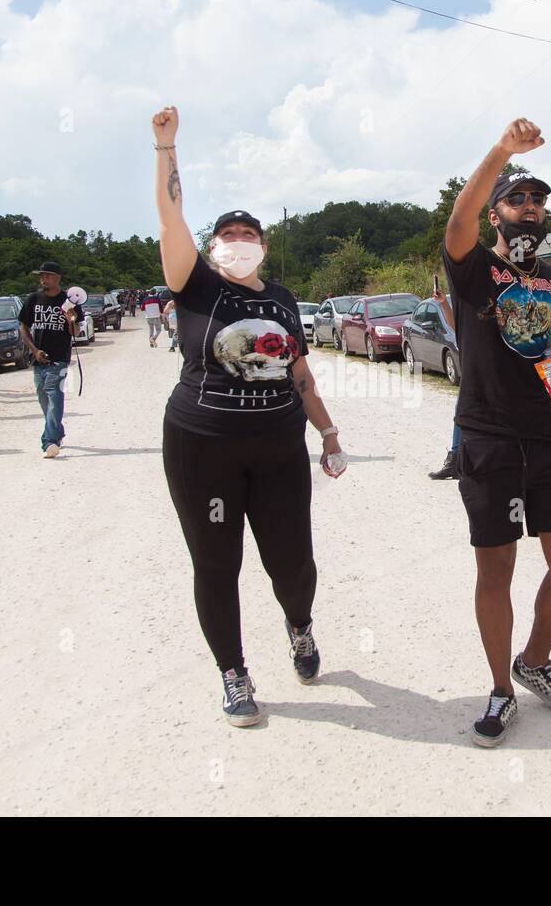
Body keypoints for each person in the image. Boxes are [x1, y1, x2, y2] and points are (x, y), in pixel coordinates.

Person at [153, 105, 345, 727]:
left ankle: (300, 625)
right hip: (202, 445)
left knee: (293, 560)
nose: (239, 242)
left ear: (262, 244)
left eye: (248, 235)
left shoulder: (285, 300)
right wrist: (166, 148)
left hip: (278, 446)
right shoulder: (195, 285)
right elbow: (170, 215)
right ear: (213, 246)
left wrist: (329, 432)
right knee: (216, 563)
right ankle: (233, 673)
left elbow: (299, 372)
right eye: (228, 236)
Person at [443, 120, 551, 747]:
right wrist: (501, 152)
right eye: (517, 199)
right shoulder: (473, 268)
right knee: (496, 568)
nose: (530, 208)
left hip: (549, 437)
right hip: (489, 437)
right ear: (497, 213)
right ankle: (501, 690)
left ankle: (534, 661)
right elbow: (459, 217)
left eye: (539, 201)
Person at [18, 261, 82, 458]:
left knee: (55, 396)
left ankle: (49, 442)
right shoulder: (33, 299)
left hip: (60, 358)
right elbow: (23, 327)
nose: (43, 279)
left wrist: (70, 318)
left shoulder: (69, 301)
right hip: (38, 358)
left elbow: (76, 331)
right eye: (41, 276)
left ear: (58, 278)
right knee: (43, 398)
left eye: (47, 276)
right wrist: (34, 350)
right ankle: (57, 430)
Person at [428, 275, 462, 481]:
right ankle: (455, 461)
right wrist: (443, 304)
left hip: (496, 371)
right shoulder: (468, 301)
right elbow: (455, 326)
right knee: (461, 412)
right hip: (474, 371)